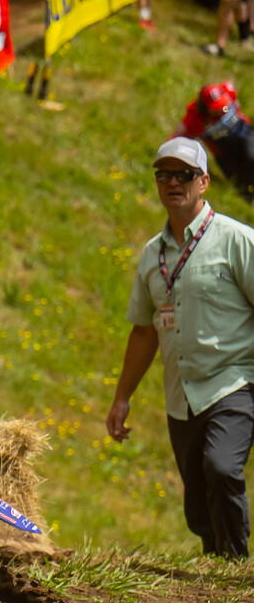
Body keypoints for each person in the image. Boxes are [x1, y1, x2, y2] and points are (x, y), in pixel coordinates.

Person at [112, 137, 254, 559]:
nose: (173, 182)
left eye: (184, 175)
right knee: (197, 499)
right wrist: (122, 397)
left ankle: (236, 565)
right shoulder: (151, 255)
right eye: (164, 175)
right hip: (181, 395)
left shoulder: (236, 240)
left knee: (221, 467)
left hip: (235, 382)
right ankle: (217, 567)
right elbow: (144, 332)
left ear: (204, 182)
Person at [182, 81, 254, 199]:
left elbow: (236, 104)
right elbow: (181, 136)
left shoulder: (228, 92)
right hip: (224, 153)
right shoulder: (195, 118)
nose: (222, 110)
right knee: (240, 183)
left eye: (223, 104)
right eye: (216, 108)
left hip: (244, 135)